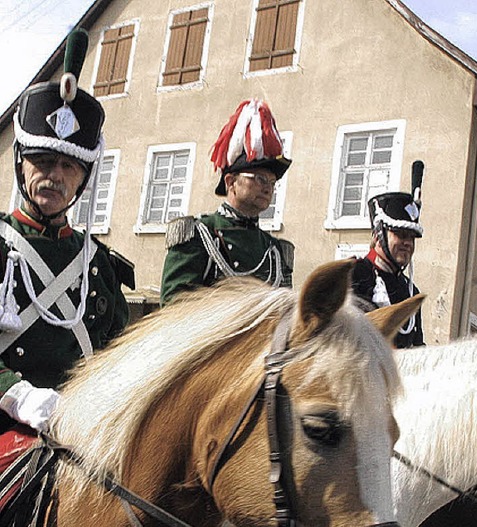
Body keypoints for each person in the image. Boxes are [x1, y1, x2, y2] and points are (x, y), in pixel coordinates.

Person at [0, 29, 132, 434]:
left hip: (78, 432)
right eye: (41, 160)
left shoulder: (99, 264)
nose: (54, 176)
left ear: (83, 179)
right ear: (22, 164)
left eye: (69, 167)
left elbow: (117, 354)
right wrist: (17, 395)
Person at [160, 99, 294, 305]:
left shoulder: (275, 251)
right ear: (231, 182)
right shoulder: (199, 235)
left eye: (272, 182)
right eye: (259, 179)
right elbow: (174, 311)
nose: (267, 187)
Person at [351, 164, 425, 348]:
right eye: (400, 234)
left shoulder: (410, 291)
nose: (407, 243)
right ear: (378, 235)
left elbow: (416, 345)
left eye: (411, 237)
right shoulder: (353, 274)